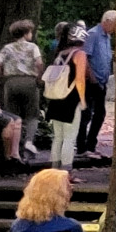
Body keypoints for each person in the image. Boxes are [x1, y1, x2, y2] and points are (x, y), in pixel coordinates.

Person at [42, 24, 89, 176]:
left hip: (56, 98)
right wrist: (82, 100)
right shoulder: (79, 55)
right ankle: (66, 173)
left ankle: (53, 171)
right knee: (70, 137)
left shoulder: (60, 53)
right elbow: (80, 79)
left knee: (58, 137)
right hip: (71, 98)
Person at [0, 21, 43, 163]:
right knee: (32, 115)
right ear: (26, 32)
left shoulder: (7, 48)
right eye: (30, 32)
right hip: (29, 81)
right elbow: (39, 63)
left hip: (11, 83)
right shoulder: (32, 47)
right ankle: (29, 142)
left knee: (13, 116)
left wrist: (3, 76)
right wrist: (40, 77)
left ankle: (17, 149)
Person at [77, 9, 116, 156]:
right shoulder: (93, 34)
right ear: (107, 21)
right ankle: (82, 146)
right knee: (86, 113)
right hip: (91, 81)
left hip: (102, 81)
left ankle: (90, 144)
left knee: (99, 114)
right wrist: (92, 78)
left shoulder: (107, 36)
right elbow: (85, 57)